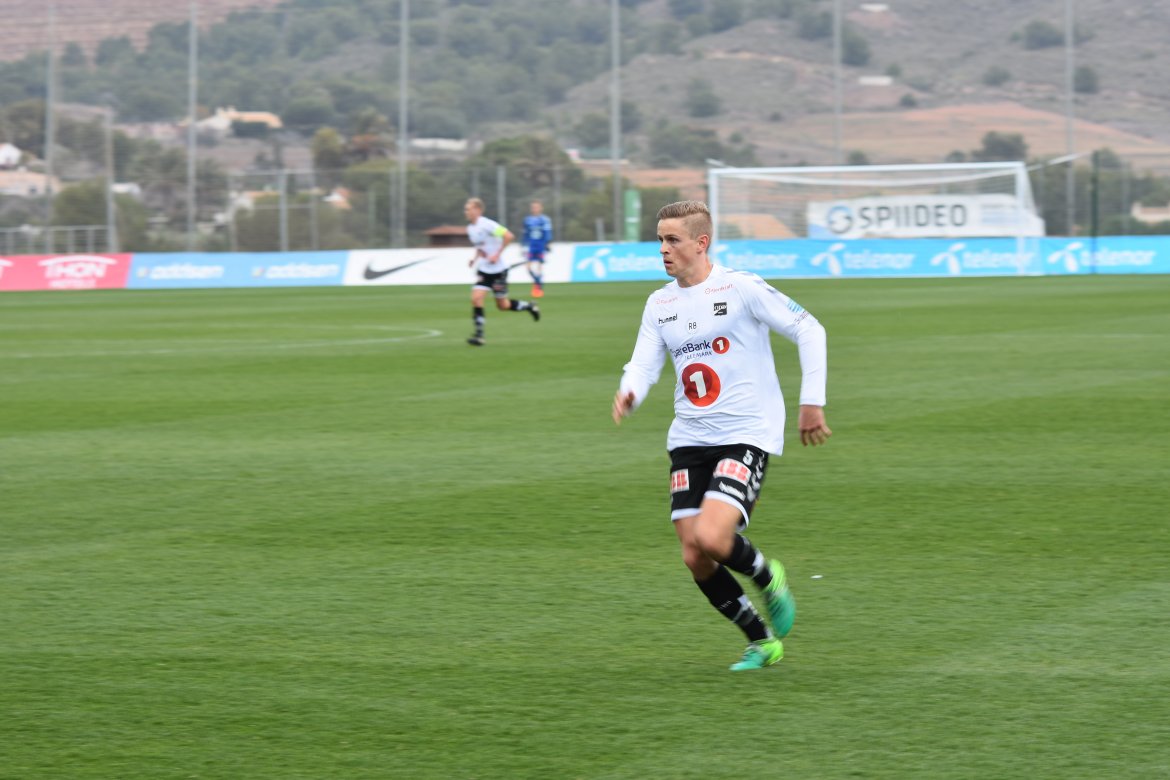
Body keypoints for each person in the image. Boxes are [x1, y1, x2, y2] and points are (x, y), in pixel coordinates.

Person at [612, 200, 831, 671]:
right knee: (695, 554)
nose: (663, 249)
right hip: (689, 438)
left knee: (713, 536)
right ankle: (761, 642)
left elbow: (809, 329)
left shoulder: (740, 288)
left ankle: (768, 576)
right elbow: (643, 364)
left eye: (672, 240)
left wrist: (812, 401)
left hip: (745, 433)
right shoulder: (660, 303)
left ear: (701, 242)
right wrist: (630, 391)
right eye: (660, 240)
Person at [464, 197, 540, 347]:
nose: (466, 211)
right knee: (476, 298)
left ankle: (529, 306)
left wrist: (497, 254)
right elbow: (480, 247)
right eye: (466, 209)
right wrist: (474, 259)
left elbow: (508, 235)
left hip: (499, 271)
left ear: (478, 210)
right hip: (484, 270)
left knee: (503, 305)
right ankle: (479, 335)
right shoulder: (470, 229)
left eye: (469, 209)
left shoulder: (487, 224)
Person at [521, 199, 553, 298]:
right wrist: (523, 246)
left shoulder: (545, 220)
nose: (535, 209)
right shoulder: (527, 220)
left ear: (541, 208)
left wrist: (547, 243)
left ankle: (538, 288)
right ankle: (538, 281)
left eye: (537, 207)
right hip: (531, 246)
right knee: (528, 267)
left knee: (539, 266)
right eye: (533, 207)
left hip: (540, 246)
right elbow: (525, 234)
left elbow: (547, 232)